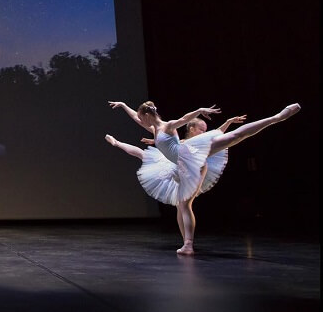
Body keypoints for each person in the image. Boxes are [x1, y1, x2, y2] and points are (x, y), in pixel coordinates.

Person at [108, 100, 300, 254]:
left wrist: (199, 110)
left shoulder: (167, 126)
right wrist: (124, 105)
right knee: (182, 204)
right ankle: (187, 244)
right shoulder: (154, 129)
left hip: (191, 155)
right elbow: (136, 117)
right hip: (185, 162)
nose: (141, 121)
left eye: (143, 118)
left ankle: (277, 117)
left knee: (234, 137)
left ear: (149, 115)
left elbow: (184, 118)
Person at [105, 114, 246, 254]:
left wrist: (228, 121)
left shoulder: (198, 140)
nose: (203, 133)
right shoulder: (182, 139)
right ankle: (186, 241)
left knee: (183, 205)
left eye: (204, 131)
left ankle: (188, 243)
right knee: (145, 157)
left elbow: (216, 134)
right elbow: (163, 138)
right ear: (191, 128)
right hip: (177, 170)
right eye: (201, 130)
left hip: (189, 172)